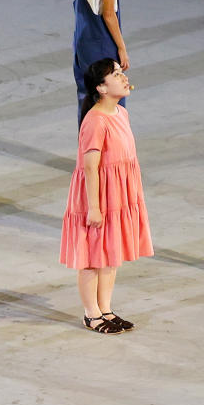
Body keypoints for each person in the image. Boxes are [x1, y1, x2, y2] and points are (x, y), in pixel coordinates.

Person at [60, 59, 153, 334]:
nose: (123, 77)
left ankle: (106, 309)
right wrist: (94, 207)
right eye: (115, 74)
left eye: (121, 72)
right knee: (92, 256)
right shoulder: (95, 121)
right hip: (98, 197)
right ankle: (92, 314)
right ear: (101, 87)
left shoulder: (120, 114)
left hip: (118, 196)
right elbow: (90, 167)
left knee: (110, 254)